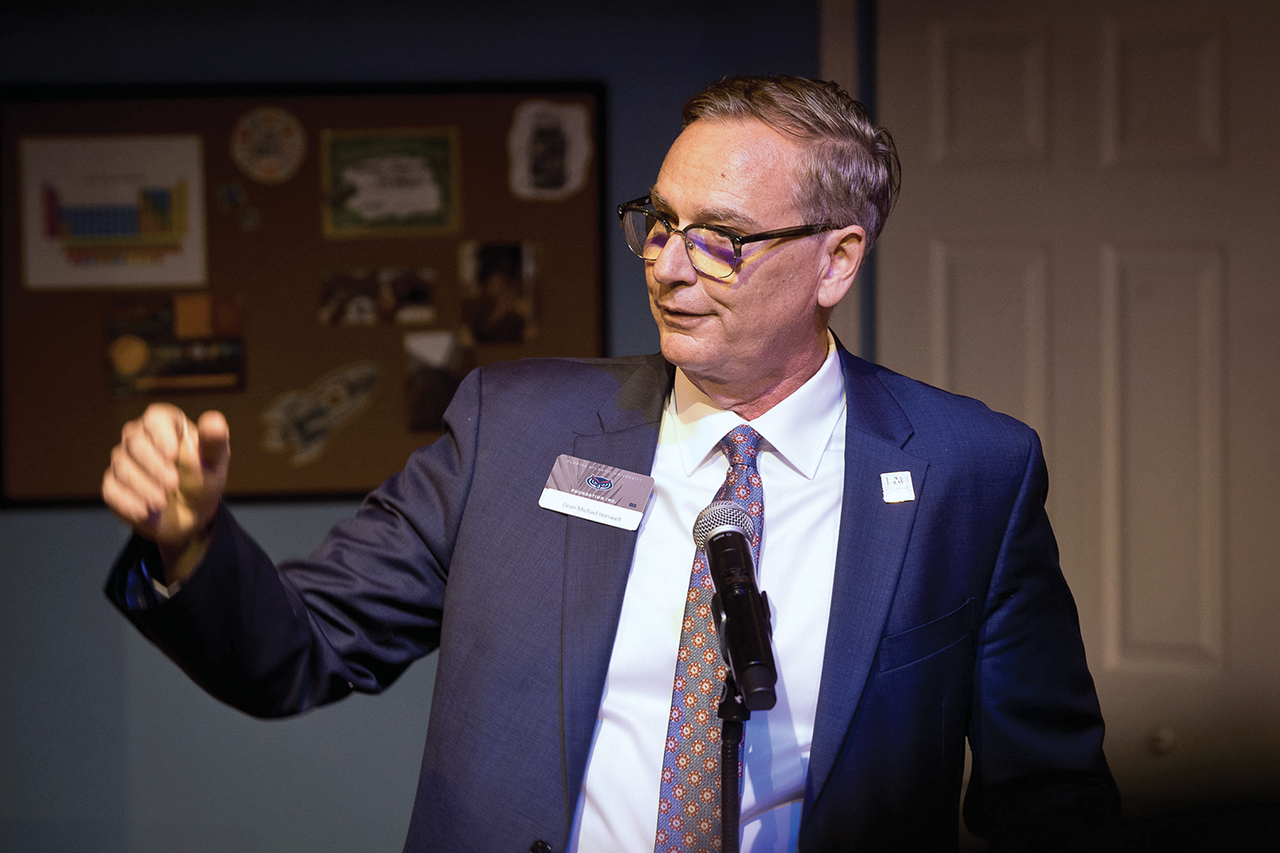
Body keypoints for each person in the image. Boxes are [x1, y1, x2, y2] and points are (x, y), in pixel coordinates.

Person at [102, 76, 1120, 853]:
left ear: (836, 260)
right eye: (660, 222)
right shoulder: (516, 429)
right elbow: (299, 650)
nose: (669, 265)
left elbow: (1049, 794)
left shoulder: (966, 471)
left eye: (719, 238)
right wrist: (187, 547)